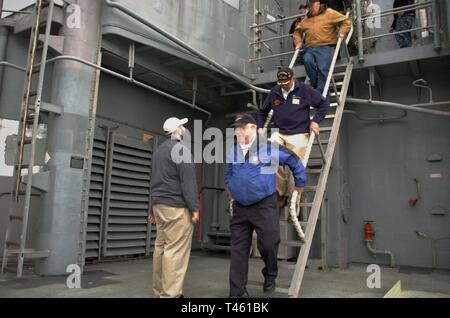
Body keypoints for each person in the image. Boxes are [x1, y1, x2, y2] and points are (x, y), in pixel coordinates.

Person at [225, 113, 307, 298]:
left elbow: (294, 161)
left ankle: (270, 274)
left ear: (253, 128)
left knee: (269, 244)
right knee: (238, 251)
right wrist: (230, 188)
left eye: (242, 128)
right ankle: (236, 294)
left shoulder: (269, 148)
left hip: (264, 204)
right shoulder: (234, 150)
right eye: (236, 129)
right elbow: (229, 172)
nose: (238, 132)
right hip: (240, 208)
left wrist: (300, 186)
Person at [257, 67, 329, 208]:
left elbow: (323, 103)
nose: (284, 86)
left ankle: (293, 205)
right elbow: (262, 112)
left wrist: (315, 121)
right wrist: (260, 127)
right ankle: (280, 192)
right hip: (279, 132)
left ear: (293, 79)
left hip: (299, 133)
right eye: (281, 83)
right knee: (268, 156)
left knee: (295, 168)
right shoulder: (274, 92)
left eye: (286, 83)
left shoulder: (304, 90)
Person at [149, 117, 199, 298]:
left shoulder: (158, 152)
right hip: (176, 208)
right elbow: (188, 183)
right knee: (175, 252)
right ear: (177, 129)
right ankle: (171, 295)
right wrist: (194, 208)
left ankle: (159, 292)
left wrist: (151, 209)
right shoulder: (181, 150)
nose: (184, 128)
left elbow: (155, 181)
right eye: (182, 125)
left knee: (161, 250)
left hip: (159, 206)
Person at [293, 0, 352, 95]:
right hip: (310, 48)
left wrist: (341, 33)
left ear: (318, 3)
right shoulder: (307, 19)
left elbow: (346, 21)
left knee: (322, 67)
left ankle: (320, 91)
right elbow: (297, 31)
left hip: (325, 46)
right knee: (307, 61)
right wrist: (299, 42)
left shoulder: (329, 13)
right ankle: (317, 85)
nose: (310, 8)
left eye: (312, 6)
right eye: (309, 6)